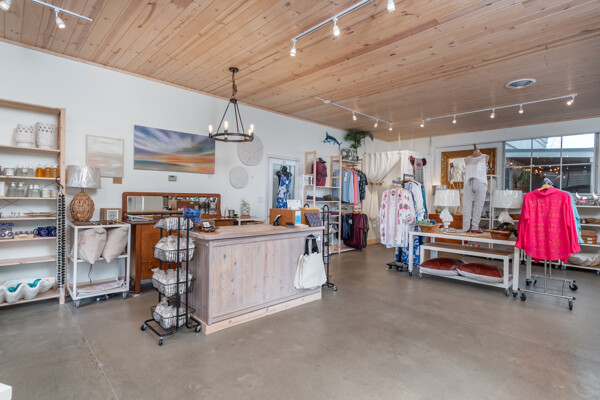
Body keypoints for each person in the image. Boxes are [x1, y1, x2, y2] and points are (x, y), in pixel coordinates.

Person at [462, 145, 488, 232]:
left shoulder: (484, 157)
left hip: (480, 181)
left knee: (478, 206)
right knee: (467, 206)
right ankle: (466, 228)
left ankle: (475, 227)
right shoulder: (467, 159)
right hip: (468, 181)